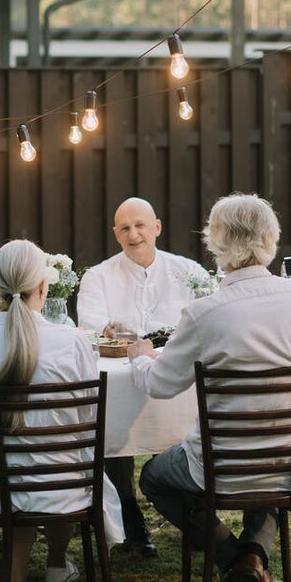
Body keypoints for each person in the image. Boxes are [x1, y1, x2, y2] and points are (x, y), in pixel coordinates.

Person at [128, 193, 291, 582]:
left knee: (153, 478)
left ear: (215, 241)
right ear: (270, 240)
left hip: (218, 466)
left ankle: (235, 560)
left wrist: (140, 359)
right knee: (271, 477)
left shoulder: (205, 313)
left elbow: (162, 385)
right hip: (287, 461)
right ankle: (254, 561)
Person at [0, 239, 124, 582]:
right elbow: (85, 421)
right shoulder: (72, 341)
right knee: (62, 457)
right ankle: (57, 565)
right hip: (67, 487)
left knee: (20, 469)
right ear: (43, 287)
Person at [77, 196, 209, 557]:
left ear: (157, 227)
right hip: (121, 380)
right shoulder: (98, 276)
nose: (134, 234)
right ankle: (131, 523)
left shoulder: (190, 272)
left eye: (140, 226)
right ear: (115, 234)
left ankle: (196, 520)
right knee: (113, 429)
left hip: (175, 378)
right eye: (125, 228)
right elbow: (92, 327)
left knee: (185, 421)